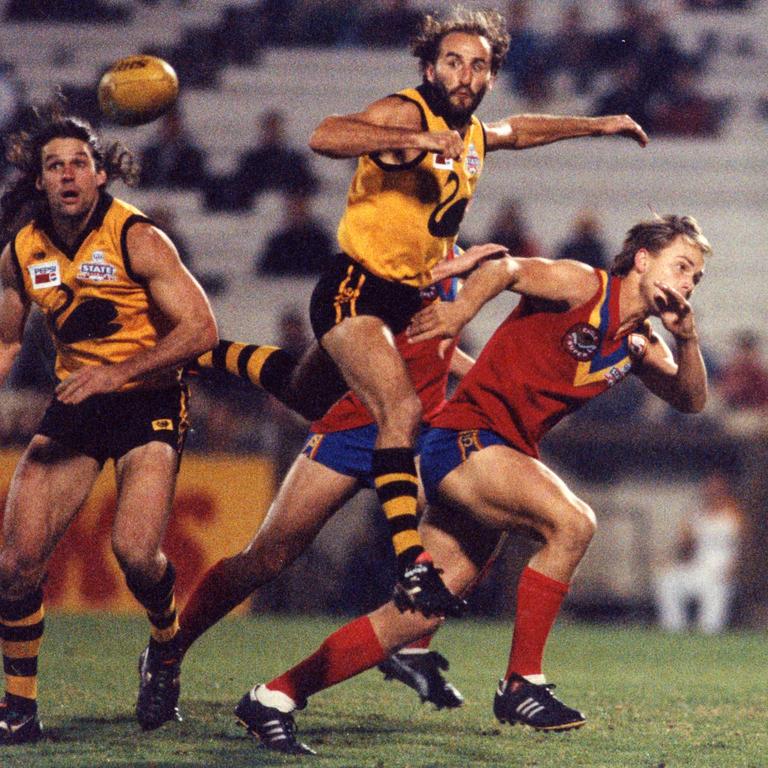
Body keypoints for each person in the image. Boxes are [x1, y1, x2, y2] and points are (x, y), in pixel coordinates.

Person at [232, 213, 710, 753]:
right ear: (643, 259)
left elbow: (692, 400)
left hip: (500, 454)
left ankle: (274, 697)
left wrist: (688, 338)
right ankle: (521, 683)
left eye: (696, 276)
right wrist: (460, 309)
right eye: (682, 265)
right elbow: (506, 270)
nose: (688, 281)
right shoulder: (585, 284)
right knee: (574, 522)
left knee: (415, 616)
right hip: (468, 437)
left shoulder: (641, 344)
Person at [254, 5, 649, 627]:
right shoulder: (408, 110)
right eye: (454, 62)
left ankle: (217, 354)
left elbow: (516, 131)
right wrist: (413, 140)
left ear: (491, 76)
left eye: (479, 66)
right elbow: (325, 135)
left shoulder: (468, 134)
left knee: (308, 394)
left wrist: (598, 124)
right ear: (431, 66)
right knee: (403, 411)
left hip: (408, 299)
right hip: (355, 287)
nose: (465, 75)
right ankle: (411, 562)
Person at [177, 243, 505, 727]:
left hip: (414, 435)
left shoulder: (450, 256)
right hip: (351, 428)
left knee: (484, 514)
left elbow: (437, 343)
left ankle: (410, 643)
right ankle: (170, 647)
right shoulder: (392, 256)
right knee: (266, 559)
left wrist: (481, 376)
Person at [0, 100, 218, 744]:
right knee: (14, 563)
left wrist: (118, 373)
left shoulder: (138, 237)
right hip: (79, 400)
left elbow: (202, 329)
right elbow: (9, 343)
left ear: (100, 175)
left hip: (149, 396)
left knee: (133, 553)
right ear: (39, 181)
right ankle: (18, 707)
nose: (67, 174)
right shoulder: (19, 251)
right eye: (54, 165)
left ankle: (165, 642)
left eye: (79, 163)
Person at [654, 471, 744, 634]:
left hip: (722, 572)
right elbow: (685, 547)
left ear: (725, 489)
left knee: (715, 598)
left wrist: (734, 569)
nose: (712, 491)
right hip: (698, 568)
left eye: (717, 487)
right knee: (666, 581)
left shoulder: (735, 515)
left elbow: (743, 549)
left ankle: (709, 634)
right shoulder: (697, 514)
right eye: (709, 487)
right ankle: (674, 631)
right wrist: (683, 541)